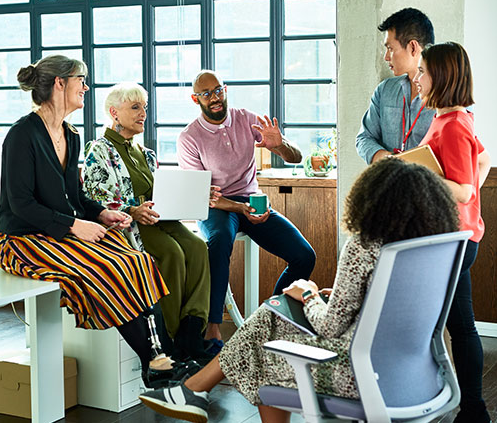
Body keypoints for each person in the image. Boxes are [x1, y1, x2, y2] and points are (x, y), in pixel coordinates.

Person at [138, 158, 461, 423]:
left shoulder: (364, 246)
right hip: (419, 376)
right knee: (271, 314)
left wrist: (308, 295)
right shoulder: (429, 249)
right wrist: (335, 296)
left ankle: (193, 390)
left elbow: (330, 326)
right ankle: (194, 391)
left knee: (264, 351)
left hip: (357, 377)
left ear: (373, 200)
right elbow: (390, 306)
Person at [0, 55, 190, 388]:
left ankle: (162, 359)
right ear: (60, 83)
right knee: (109, 267)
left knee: (138, 260)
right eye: (81, 80)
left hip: (61, 232)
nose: (86, 87)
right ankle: (157, 364)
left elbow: (75, 197)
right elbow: (21, 205)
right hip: (23, 239)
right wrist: (75, 226)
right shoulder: (22, 135)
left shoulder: (70, 135)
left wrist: (100, 213)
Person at [83, 82, 218, 363]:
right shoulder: (99, 150)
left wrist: (195, 196)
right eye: (135, 108)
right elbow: (95, 198)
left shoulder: (145, 153)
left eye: (144, 107)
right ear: (114, 113)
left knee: (197, 246)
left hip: (159, 218)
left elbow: (162, 192)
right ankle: (169, 339)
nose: (143, 113)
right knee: (172, 253)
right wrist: (133, 210)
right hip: (131, 224)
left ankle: (192, 333)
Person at [177, 69, 316, 344]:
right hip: (216, 207)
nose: (214, 98)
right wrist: (240, 210)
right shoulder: (189, 138)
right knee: (218, 243)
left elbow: (296, 157)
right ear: (196, 100)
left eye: (218, 90)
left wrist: (280, 145)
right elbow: (203, 196)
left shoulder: (247, 119)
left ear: (225, 90)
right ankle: (213, 328)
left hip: (250, 199)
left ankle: (271, 318)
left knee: (304, 255)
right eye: (206, 94)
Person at [414, 42, 492, 422]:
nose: (417, 78)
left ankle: (472, 410)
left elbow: (462, 189)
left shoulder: (455, 123)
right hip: (455, 238)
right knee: (456, 325)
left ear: (441, 76)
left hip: (454, 242)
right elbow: (484, 160)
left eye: (423, 72)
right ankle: (467, 408)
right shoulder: (452, 118)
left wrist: (416, 173)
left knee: (459, 326)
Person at [356, 7, 436, 164]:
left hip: (428, 186)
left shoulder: (449, 97)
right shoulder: (384, 90)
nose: (386, 57)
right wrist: (386, 159)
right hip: (388, 184)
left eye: (390, 48)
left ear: (413, 47)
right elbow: (364, 138)